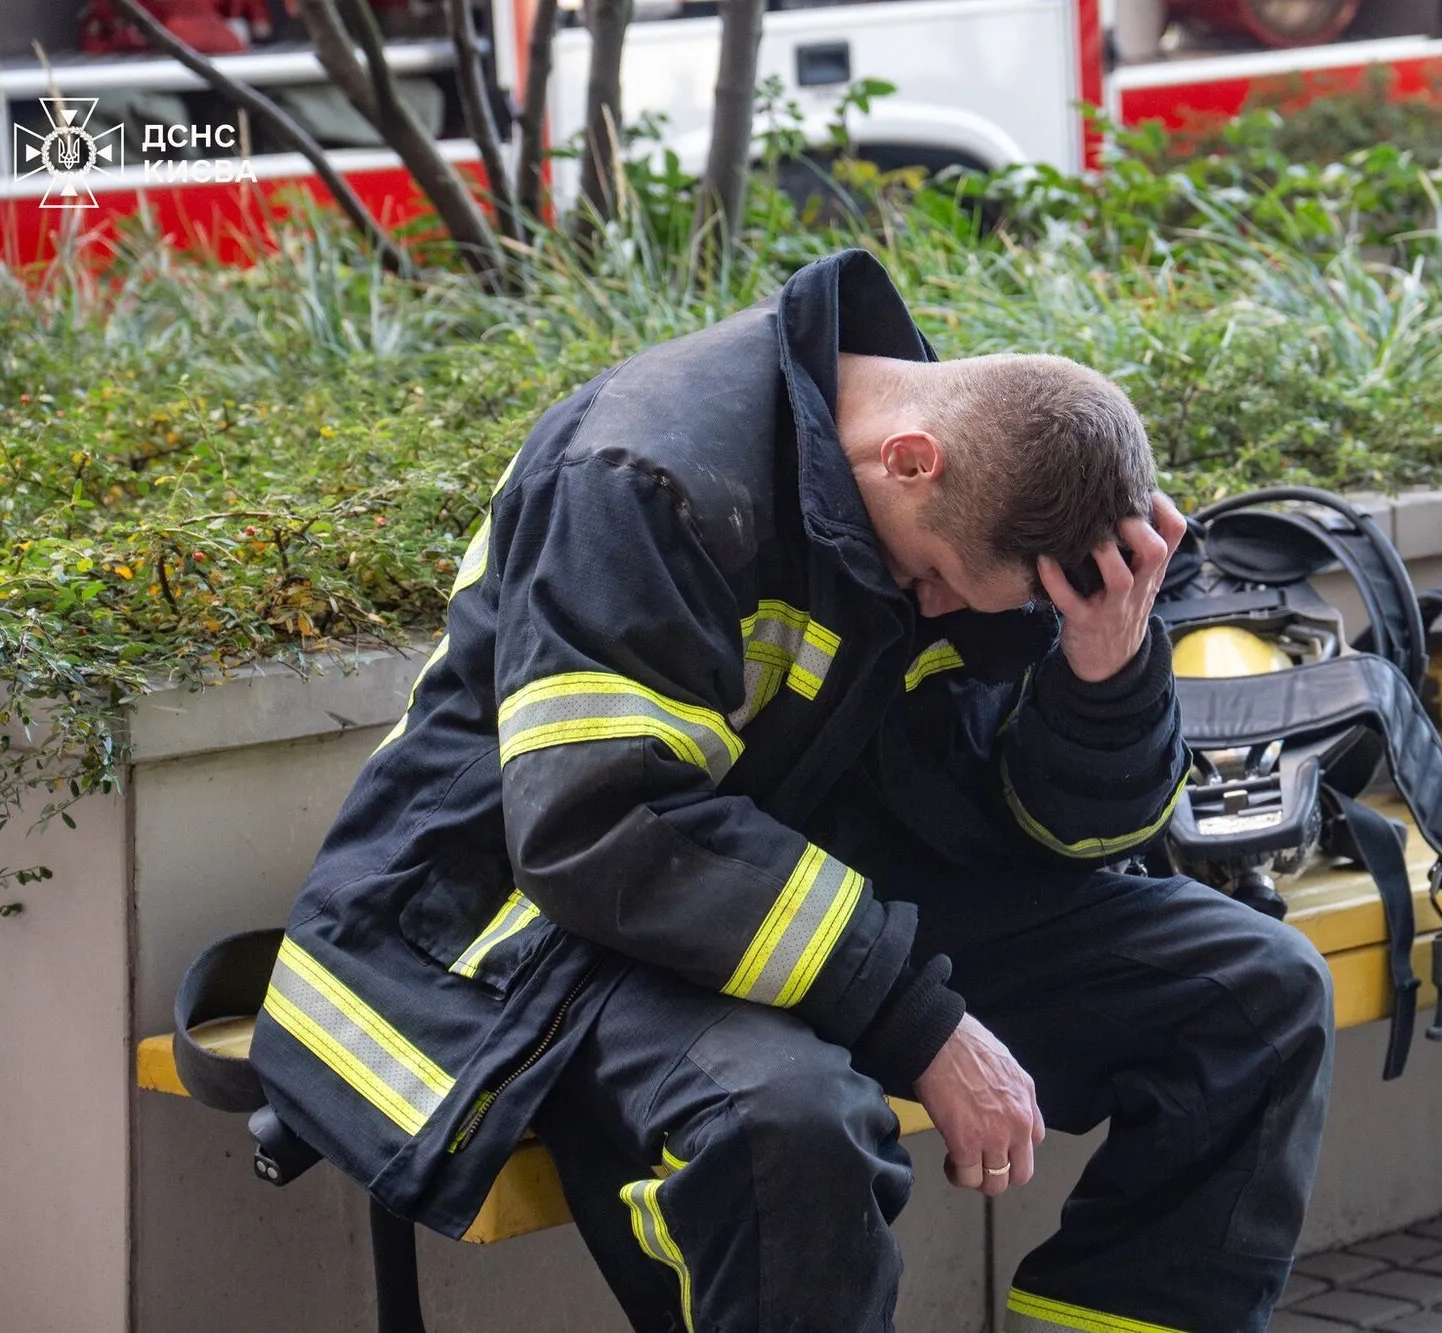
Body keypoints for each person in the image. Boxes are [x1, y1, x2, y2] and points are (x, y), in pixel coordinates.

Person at [251, 248, 1334, 1333]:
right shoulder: (644, 475)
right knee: (789, 1128)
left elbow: (1061, 836)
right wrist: (921, 1024)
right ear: (912, 460)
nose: (942, 612)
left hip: (785, 903)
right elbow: (600, 825)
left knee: (1252, 995)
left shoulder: (968, 505)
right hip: (540, 932)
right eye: (933, 584)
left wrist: (1106, 667)